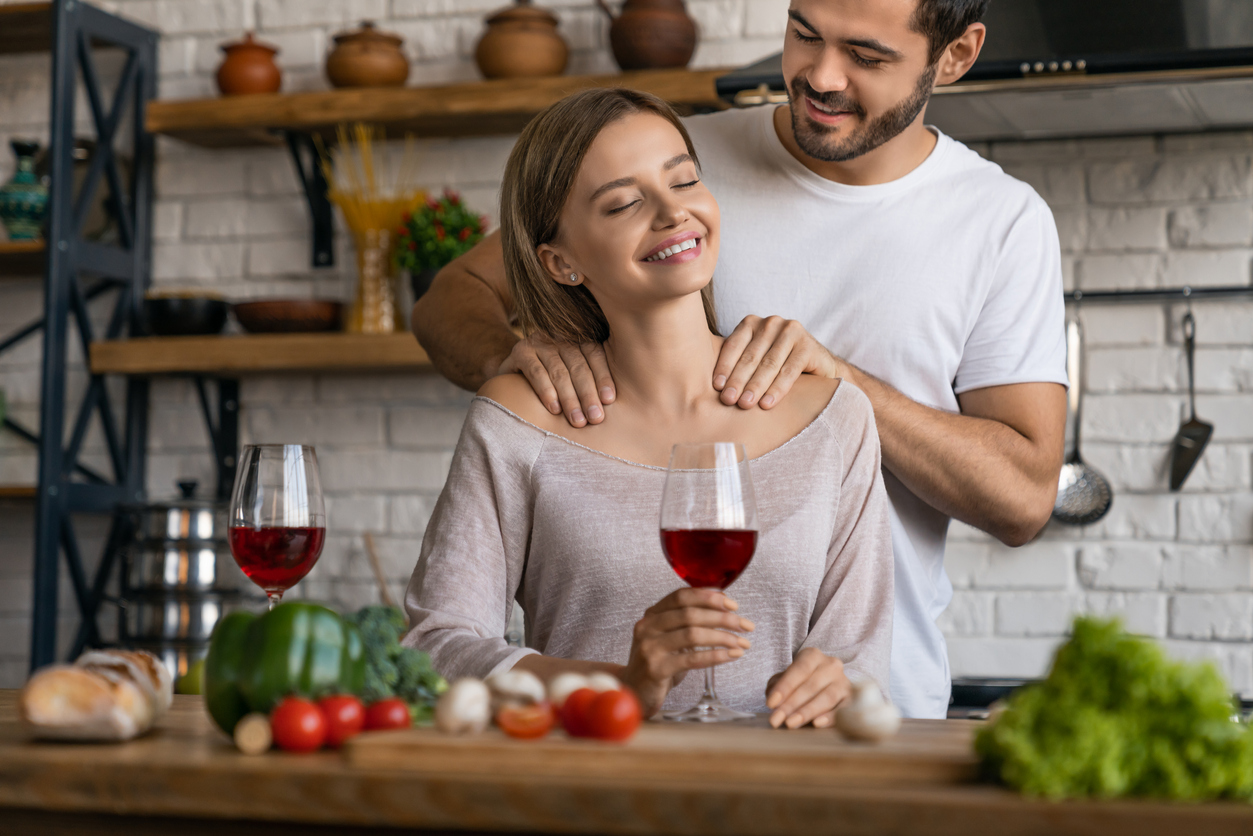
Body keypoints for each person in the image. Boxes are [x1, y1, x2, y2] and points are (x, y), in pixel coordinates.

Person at [411, 0, 1069, 720]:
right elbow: (456, 294)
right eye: (803, 34)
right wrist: (522, 375)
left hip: (860, 710)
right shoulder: (670, 151)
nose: (819, 74)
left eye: (866, 55)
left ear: (954, 56)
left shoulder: (1000, 222)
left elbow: (1023, 500)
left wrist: (838, 382)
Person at [404, 88, 895, 729]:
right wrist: (622, 687)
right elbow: (438, 648)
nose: (672, 213)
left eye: (684, 180)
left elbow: (860, 657)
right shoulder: (518, 422)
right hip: (591, 796)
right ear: (561, 261)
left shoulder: (833, 418)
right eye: (623, 203)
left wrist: (838, 680)